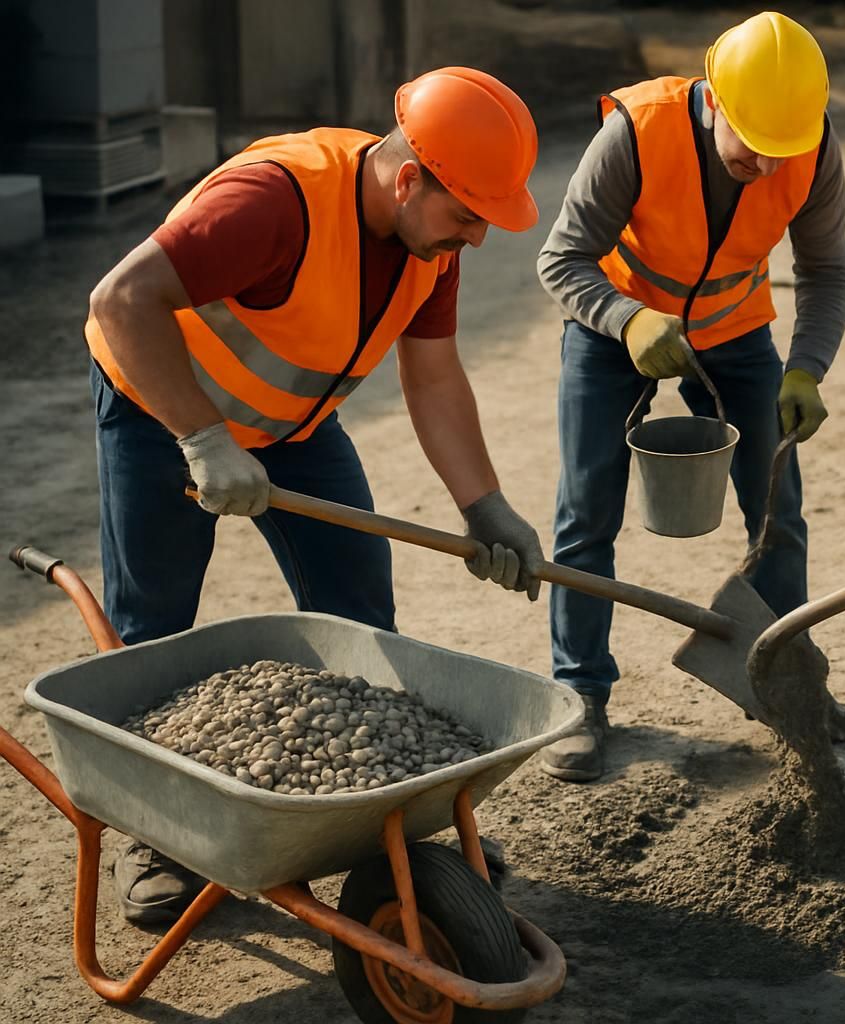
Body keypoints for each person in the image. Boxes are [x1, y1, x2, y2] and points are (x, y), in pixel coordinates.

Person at [85, 67, 548, 926]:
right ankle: (152, 831)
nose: (478, 238)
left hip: (293, 426)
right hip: (164, 410)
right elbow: (121, 300)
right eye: (467, 215)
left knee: (361, 615)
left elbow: (435, 374)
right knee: (153, 628)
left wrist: (484, 504)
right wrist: (200, 436)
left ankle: (383, 814)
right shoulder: (271, 201)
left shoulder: (426, 242)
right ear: (409, 178)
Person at [536, 11, 845, 782]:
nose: (766, 165)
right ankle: (580, 696)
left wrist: (806, 367)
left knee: (778, 512)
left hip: (737, 329)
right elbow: (562, 257)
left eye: (783, 150)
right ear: (713, 100)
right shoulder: (638, 132)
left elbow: (826, 272)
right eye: (753, 144)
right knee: (587, 513)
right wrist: (626, 319)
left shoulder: (809, 149)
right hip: (617, 325)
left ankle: (789, 688)